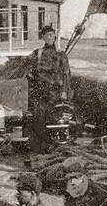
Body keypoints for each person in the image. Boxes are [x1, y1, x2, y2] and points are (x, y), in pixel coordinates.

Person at [26, 23, 72, 152]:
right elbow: (30, 71)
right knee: (39, 119)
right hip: (41, 92)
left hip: (56, 93)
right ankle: (40, 149)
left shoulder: (61, 54)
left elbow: (66, 74)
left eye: (53, 35)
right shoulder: (37, 53)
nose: (51, 37)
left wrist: (64, 92)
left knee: (57, 119)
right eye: (48, 35)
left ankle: (58, 146)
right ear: (43, 38)